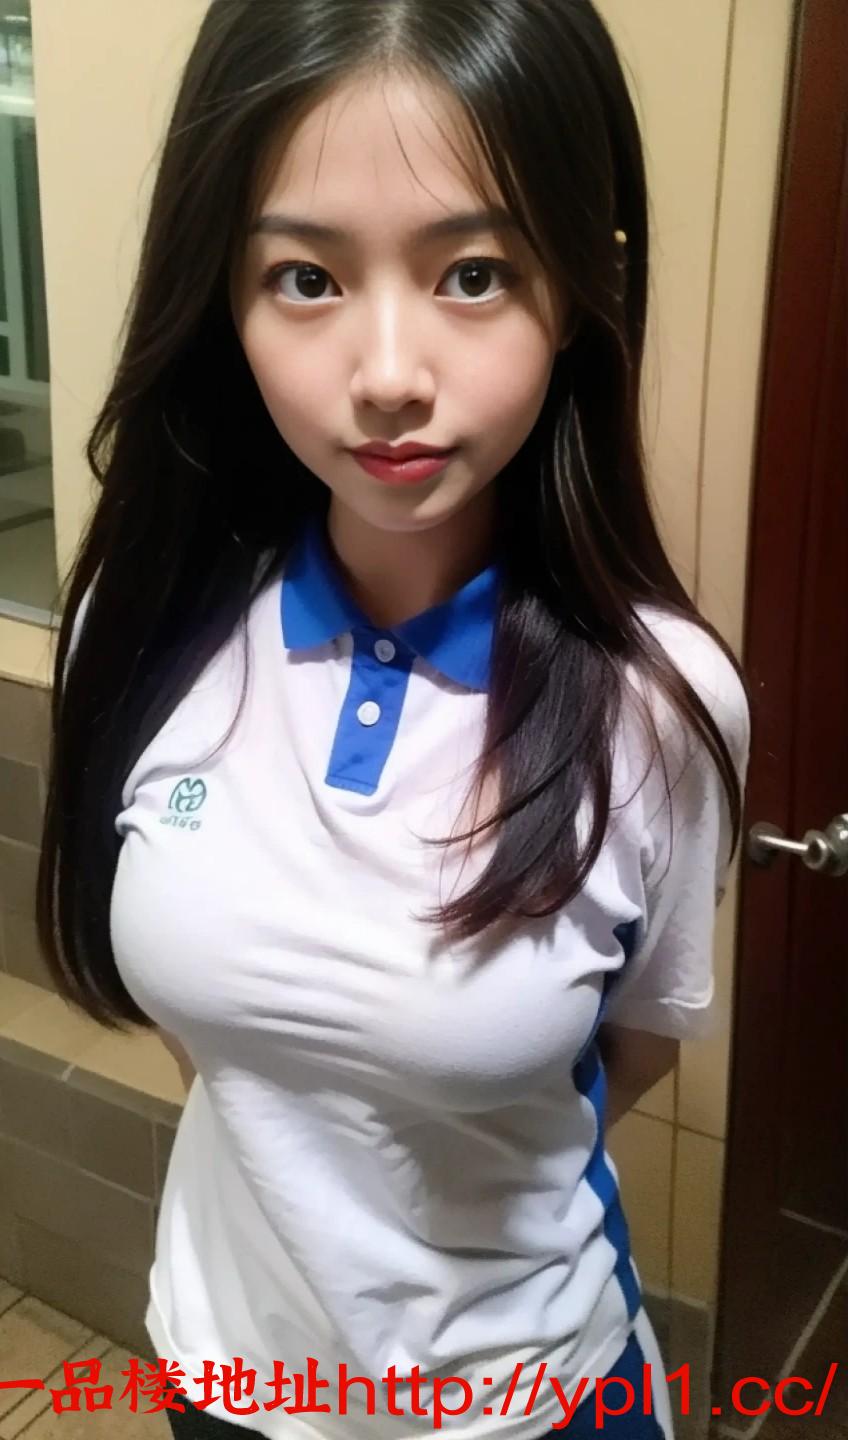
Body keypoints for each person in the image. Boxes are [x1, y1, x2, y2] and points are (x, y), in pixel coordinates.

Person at [38, 2, 752, 1438]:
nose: (385, 375)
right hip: (224, 1380)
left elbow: (635, 1046)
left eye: (472, 273)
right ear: (223, 297)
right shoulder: (149, 618)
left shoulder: (659, 701)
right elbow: (227, 1048)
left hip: (527, 1403)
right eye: (304, 277)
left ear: (583, 287)